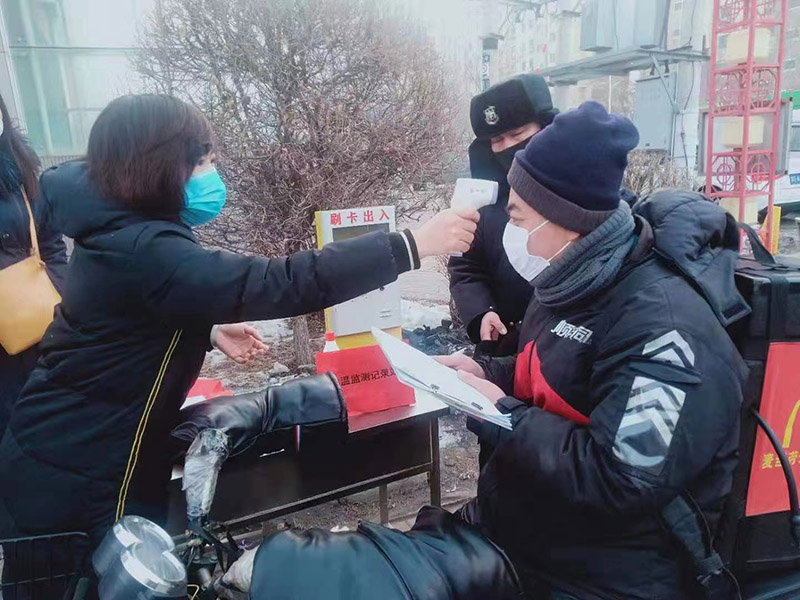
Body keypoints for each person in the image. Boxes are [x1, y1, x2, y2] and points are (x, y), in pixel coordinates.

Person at [0, 95, 477, 574]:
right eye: (202, 161)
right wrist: (410, 245)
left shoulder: (119, 225)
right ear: (161, 163)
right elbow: (278, 282)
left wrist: (203, 326)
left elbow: (129, 312)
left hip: (72, 449)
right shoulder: (143, 245)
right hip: (81, 473)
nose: (212, 173)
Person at [438, 102, 750, 599]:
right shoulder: (570, 280)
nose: (509, 231)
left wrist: (500, 414)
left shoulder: (666, 330)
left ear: (566, 218)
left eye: (517, 217)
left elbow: (623, 478)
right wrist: (483, 373)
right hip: (535, 528)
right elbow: (553, 368)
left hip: (609, 571)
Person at [448, 74, 557, 358]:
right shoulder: (483, 200)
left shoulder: (581, 191)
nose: (509, 146)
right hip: (502, 348)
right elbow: (465, 267)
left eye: (518, 134)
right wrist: (481, 312)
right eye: (497, 139)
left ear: (545, 128)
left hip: (564, 349)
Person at [0, 94, 68, 440]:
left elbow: (51, 243)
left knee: (34, 422)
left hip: (30, 324)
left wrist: (58, 298)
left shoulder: (19, 169)